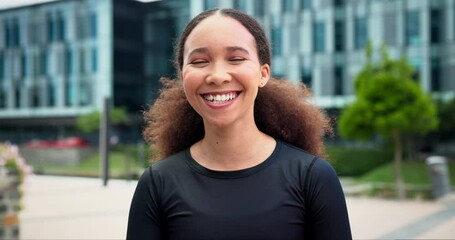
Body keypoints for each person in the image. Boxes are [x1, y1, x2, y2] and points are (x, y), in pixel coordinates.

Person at [127, 8, 351, 240]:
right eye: (200, 61)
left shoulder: (312, 178)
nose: (217, 76)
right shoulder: (157, 183)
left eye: (236, 59)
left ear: (263, 74)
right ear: (183, 76)